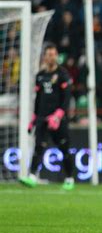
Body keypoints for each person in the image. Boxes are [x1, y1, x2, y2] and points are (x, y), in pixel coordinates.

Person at [20, 44, 75, 190]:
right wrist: (33, 118)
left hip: (58, 119)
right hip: (42, 117)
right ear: (44, 57)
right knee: (39, 147)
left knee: (64, 148)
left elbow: (66, 98)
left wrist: (58, 115)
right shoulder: (40, 76)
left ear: (57, 56)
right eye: (48, 54)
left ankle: (69, 178)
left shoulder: (63, 74)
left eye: (53, 54)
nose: (51, 57)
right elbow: (38, 99)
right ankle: (32, 176)